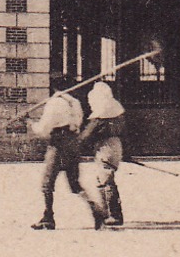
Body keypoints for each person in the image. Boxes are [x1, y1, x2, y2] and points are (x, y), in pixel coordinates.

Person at [29, 80, 106, 231]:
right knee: (75, 183)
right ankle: (96, 209)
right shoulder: (75, 103)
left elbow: (44, 128)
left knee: (47, 182)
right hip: (73, 142)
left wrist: (31, 123)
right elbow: (78, 121)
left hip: (58, 143)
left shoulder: (54, 103)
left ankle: (48, 217)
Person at [79, 80, 126, 227]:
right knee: (103, 179)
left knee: (106, 180)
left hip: (105, 148)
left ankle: (114, 214)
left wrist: (75, 143)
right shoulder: (117, 111)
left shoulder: (101, 117)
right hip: (116, 146)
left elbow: (87, 135)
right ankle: (107, 213)